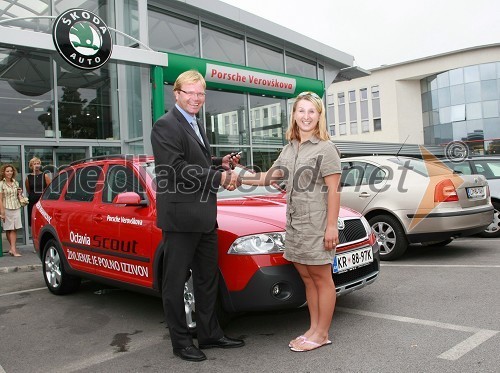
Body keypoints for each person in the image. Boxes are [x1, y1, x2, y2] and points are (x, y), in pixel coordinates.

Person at [150, 69, 244, 362]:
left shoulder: (195, 123)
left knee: (206, 280)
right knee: (175, 283)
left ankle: (209, 334)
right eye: (190, 92)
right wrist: (217, 178)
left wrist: (219, 162)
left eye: (200, 93)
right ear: (176, 94)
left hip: (204, 216)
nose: (196, 98)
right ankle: (181, 342)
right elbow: (175, 168)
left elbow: (195, 159)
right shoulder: (165, 125)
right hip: (180, 219)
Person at [238, 91, 342, 352]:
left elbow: (334, 191)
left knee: (321, 277)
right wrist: (238, 177)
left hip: (318, 224)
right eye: (301, 111)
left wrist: (331, 227)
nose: (306, 116)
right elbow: (269, 177)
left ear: (319, 116)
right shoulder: (289, 148)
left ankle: (322, 333)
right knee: (307, 278)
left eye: (311, 111)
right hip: (295, 224)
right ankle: (314, 329)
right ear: (294, 115)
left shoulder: (326, 148)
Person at [0, 164, 24, 257]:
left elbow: (18, 196)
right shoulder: (1, 183)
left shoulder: (16, 183)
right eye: (7, 171)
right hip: (6, 208)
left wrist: (20, 193)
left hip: (16, 207)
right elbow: (0, 199)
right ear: (4, 172)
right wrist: (2, 211)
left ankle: (13, 249)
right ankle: (12, 248)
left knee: (14, 228)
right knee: (8, 229)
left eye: (11, 171)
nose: (10, 173)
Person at [25, 157, 51, 227]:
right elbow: (28, 190)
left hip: (43, 201)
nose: (36, 165)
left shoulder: (44, 175)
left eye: (38, 163)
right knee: (34, 220)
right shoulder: (28, 177)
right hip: (33, 202)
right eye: (34, 164)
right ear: (31, 166)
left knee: (43, 220)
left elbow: (50, 188)